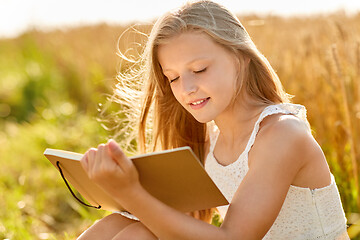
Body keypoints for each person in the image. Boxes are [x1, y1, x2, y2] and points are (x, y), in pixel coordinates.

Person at [77, 1, 349, 239]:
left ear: (241, 59)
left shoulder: (281, 134)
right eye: (173, 77)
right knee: (123, 227)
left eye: (199, 69)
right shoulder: (210, 142)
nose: (186, 88)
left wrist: (130, 193)